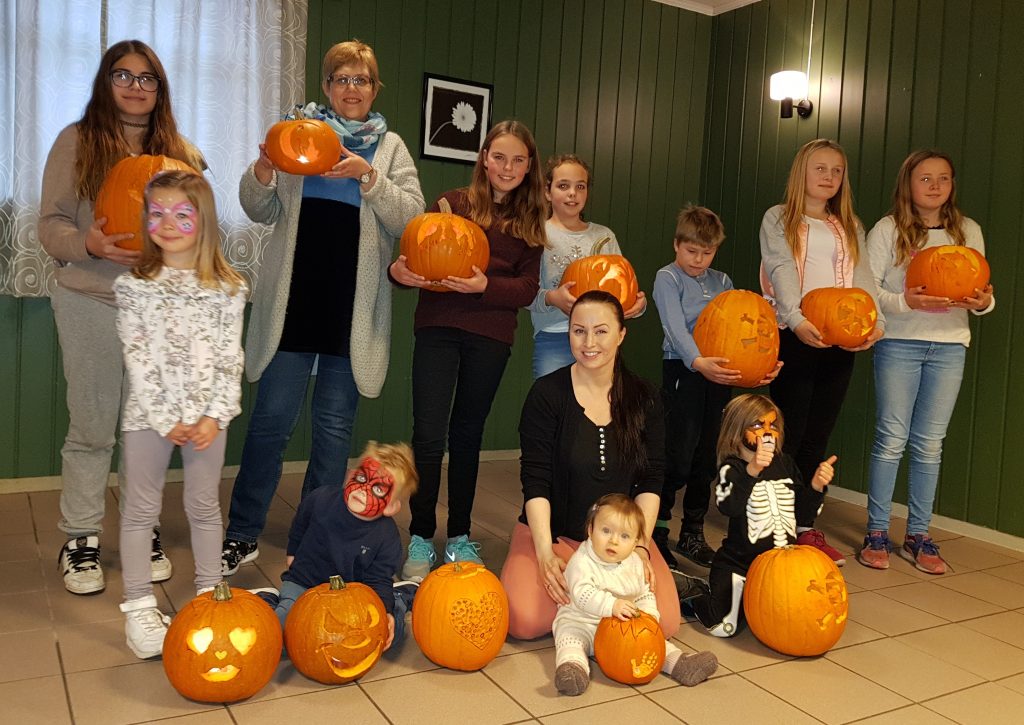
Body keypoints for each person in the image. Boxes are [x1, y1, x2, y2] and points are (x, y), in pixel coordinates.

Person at [222, 39, 424, 575]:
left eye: (362, 80)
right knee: (270, 424)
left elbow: (412, 220)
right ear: (326, 86)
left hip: (350, 314)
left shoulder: (390, 148)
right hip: (294, 306)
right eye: (341, 79)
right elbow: (257, 206)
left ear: (375, 89)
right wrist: (263, 169)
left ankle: (311, 537)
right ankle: (241, 532)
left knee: (334, 434)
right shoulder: (297, 136)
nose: (351, 89)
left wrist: (368, 176)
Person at [39, 39, 204, 594]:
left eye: (147, 78)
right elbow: (50, 223)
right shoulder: (76, 141)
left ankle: (143, 528)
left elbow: (198, 230)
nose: (136, 87)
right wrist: (87, 242)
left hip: (159, 310)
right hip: (89, 298)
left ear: (160, 89)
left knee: (152, 429)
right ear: (105, 83)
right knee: (91, 424)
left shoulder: (182, 152)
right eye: (123, 76)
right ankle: (81, 537)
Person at [389, 120, 546, 580]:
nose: (507, 167)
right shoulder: (451, 204)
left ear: (528, 166)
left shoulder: (531, 221)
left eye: (518, 159)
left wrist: (484, 286)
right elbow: (416, 256)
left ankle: (458, 535)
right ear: (483, 157)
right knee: (428, 433)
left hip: (491, 336)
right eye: (499, 156)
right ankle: (420, 534)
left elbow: (526, 289)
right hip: (437, 328)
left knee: (467, 435)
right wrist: (399, 274)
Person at [114, 171, 246, 658]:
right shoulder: (134, 287)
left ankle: (211, 596)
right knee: (141, 511)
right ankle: (139, 609)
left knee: (204, 506)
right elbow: (139, 356)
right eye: (156, 212)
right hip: (149, 418)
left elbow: (231, 357)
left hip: (209, 419)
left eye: (182, 214)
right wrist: (167, 416)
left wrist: (214, 415)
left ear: (203, 221)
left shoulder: (229, 288)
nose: (167, 223)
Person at [500, 290, 681, 640]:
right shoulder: (546, 394)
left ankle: (590, 606)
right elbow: (535, 481)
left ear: (621, 334)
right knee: (525, 622)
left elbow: (650, 481)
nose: (589, 342)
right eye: (578, 331)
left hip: (620, 540)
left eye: (601, 331)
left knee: (665, 623)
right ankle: (543, 567)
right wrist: (543, 553)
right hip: (556, 534)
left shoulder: (646, 398)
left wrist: (640, 547)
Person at [859, 150, 994, 575]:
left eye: (943, 179)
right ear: (908, 184)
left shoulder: (967, 230)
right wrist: (906, 301)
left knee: (930, 445)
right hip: (899, 343)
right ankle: (877, 531)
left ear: (952, 185)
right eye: (925, 179)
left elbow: (980, 287)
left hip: (950, 345)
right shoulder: (887, 230)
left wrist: (984, 303)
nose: (934, 186)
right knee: (891, 439)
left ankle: (919, 534)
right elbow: (868, 291)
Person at [759, 138, 884, 566]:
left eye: (836, 170)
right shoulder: (779, 218)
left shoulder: (848, 224)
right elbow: (781, 267)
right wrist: (795, 318)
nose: (829, 177)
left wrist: (875, 322)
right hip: (797, 334)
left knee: (819, 435)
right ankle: (776, 526)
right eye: (820, 169)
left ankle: (807, 523)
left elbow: (863, 275)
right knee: (788, 434)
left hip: (839, 339)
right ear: (802, 173)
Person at [652, 205, 780, 570]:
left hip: (720, 375)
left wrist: (764, 364)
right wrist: (697, 362)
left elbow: (742, 330)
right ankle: (659, 530)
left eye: (707, 252)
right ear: (677, 245)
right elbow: (675, 329)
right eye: (692, 251)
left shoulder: (722, 281)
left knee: (707, 454)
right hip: (684, 370)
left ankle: (692, 531)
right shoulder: (668, 278)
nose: (698, 259)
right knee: (678, 453)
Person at [688, 394, 834, 637]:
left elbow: (803, 516)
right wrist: (752, 470)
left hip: (784, 567)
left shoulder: (786, 464)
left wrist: (817, 487)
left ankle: (746, 602)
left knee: (802, 618)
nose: (767, 432)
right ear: (736, 430)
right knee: (724, 628)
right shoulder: (732, 468)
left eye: (772, 425)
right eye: (757, 425)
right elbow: (728, 507)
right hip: (739, 564)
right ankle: (696, 594)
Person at [256, 442, 419, 649]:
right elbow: (300, 523)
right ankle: (269, 601)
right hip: (303, 584)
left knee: (385, 638)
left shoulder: (387, 537)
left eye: (378, 489)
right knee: (284, 640)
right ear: (350, 476)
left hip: (351, 599)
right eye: (361, 478)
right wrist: (293, 552)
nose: (363, 489)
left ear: (391, 506)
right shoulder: (321, 499)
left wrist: (384, 612)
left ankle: (398, 600)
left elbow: (377, 579)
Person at [552, 493, 718, 696]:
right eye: (606, 531)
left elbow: (644, 593)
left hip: (621, 626)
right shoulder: (582, 561)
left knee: (654, 645)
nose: (613, 541)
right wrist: (611, 605)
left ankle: (680, 664)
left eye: (624, 536)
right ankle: (573, 669)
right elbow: (582, 594)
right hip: (583, 621)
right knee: (570, 641)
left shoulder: (634, 563)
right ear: (590, 530)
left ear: (635, 542)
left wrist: (649, 617)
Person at [529, 154, 646, 379]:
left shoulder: (604, 237)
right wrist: (552, 298)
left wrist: (638, 305)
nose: (572, 193)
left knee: (600, 405)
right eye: (563, 186)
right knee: (552, 403)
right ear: (547, 191)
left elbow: (624, 286)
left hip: (601, 340)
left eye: (580, 186)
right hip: (556, 336)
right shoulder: (536, 235)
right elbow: (524, 293)